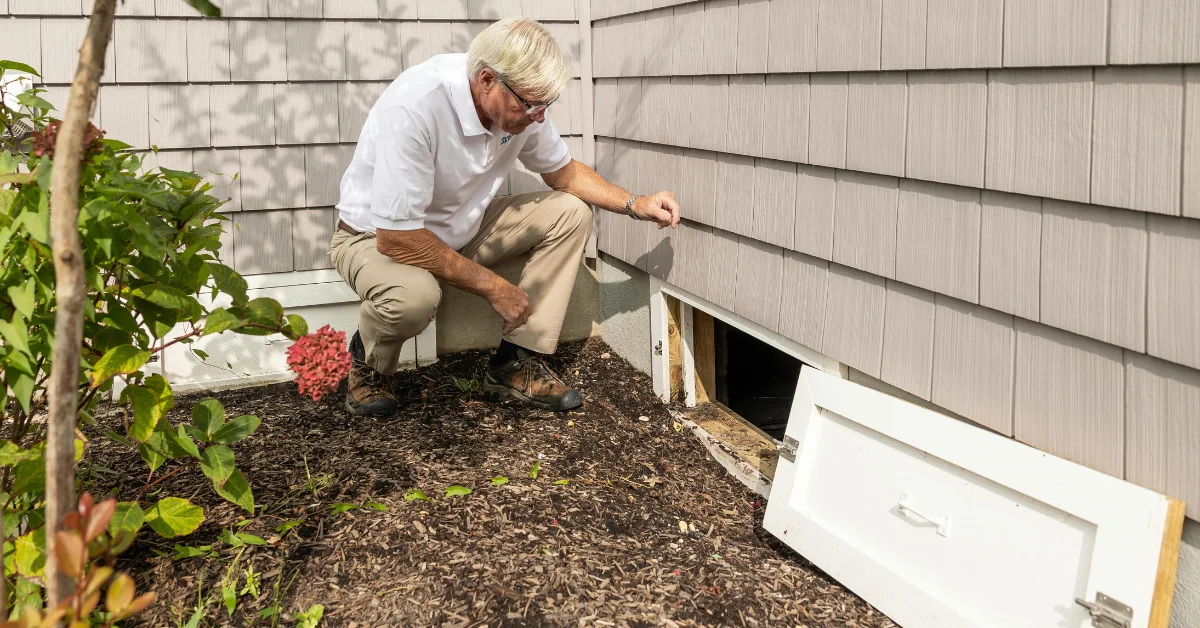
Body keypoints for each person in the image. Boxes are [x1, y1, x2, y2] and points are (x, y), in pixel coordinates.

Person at [330, 17, 681, 418]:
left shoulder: (521, 107)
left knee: (569, 211)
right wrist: (496, 288)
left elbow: (563, 174)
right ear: (486, 80)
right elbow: (396, 237)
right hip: (374, 237)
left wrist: (635, 203)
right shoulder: (417, 106)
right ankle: (368, 362)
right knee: (414, 299)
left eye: (545, 106)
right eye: (530, 105)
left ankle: (514, 364)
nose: (539, 118)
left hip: (461, 228)